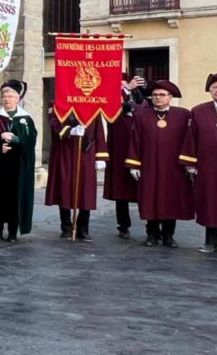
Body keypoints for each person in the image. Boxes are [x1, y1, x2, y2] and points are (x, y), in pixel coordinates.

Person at [125, 80, 193, 247]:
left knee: (172, 200)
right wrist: (134, 164)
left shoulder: (183, 115)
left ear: (170, 97)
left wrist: (188, 163)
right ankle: (152, 234)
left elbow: (189, 141)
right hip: (149, 166)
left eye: (162, 95)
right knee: (150, 199)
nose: (157, 98)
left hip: (174, 168)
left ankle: (169, 235)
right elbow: (135, 141)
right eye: (154, 95)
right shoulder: (141, 116)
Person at [0, 80, 38, 242]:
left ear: (17, 98)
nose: (7, 99)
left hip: (18, 167)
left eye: (10, 96)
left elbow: (30, 140)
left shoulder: (25, 118)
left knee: (15, 198)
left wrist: (16, 139)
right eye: (4, 96)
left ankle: (12, 232)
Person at [45, 110, 107, 241]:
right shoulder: (58, 105)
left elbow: (99, 133)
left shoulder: (93, 107)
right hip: (64, 151)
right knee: (65, 189)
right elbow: (54, 123)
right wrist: (70, 130)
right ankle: (66, 227)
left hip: (86, 153)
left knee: (86, 191)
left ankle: (83, 228)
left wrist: (100, 155)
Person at [179, 73, 217, 253]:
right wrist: (190, 163)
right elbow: (191, 139)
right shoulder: (199, 111)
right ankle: (211, 242)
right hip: (208, 166)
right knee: (210, 202)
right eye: (214, 88)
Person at [104, 75, 146, 239]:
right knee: (121, 193)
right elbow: (113, 107)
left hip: (141, 152)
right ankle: (123, 226)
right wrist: (126, 89)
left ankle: (151, 226)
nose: (124, 86)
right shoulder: (111, 103)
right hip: (120, 152)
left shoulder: (142, 102)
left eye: (125, 84)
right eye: (120, 85)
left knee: (145, 190)